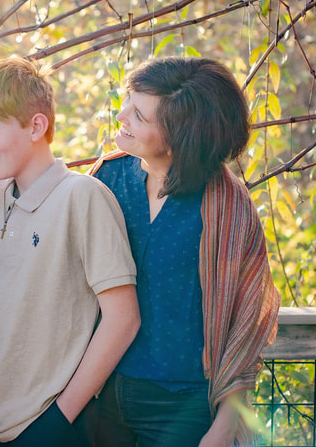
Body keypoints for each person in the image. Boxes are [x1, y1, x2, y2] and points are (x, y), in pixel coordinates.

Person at [0, 57, 140, 447]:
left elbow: (123, 318)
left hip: (50, 426)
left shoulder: (83, 196)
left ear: (36, 126)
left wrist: (60, 418)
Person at [87, 56, 280, 447]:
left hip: (183, 409)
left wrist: (224, 428)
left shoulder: (227, 208)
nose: (120, 114)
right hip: (99, 395)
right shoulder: (106, 178)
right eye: (128, 100)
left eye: (138, 115)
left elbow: (244, 326)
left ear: (177, 137)